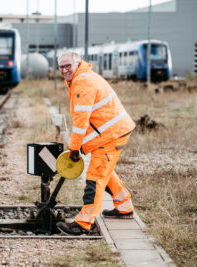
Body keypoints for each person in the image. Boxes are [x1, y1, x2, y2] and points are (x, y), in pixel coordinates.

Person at [56, 51, 136, 235]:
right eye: (61, 67)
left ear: (77, 63)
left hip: (111, 135)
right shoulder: (79, 77)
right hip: (111, 133)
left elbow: (81, 121)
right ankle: (124, 206)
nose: (65, 70)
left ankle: (83, 223)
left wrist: (74, 148)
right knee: (105, 172)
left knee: (95, 178)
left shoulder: (82, 82)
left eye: (68, 65)